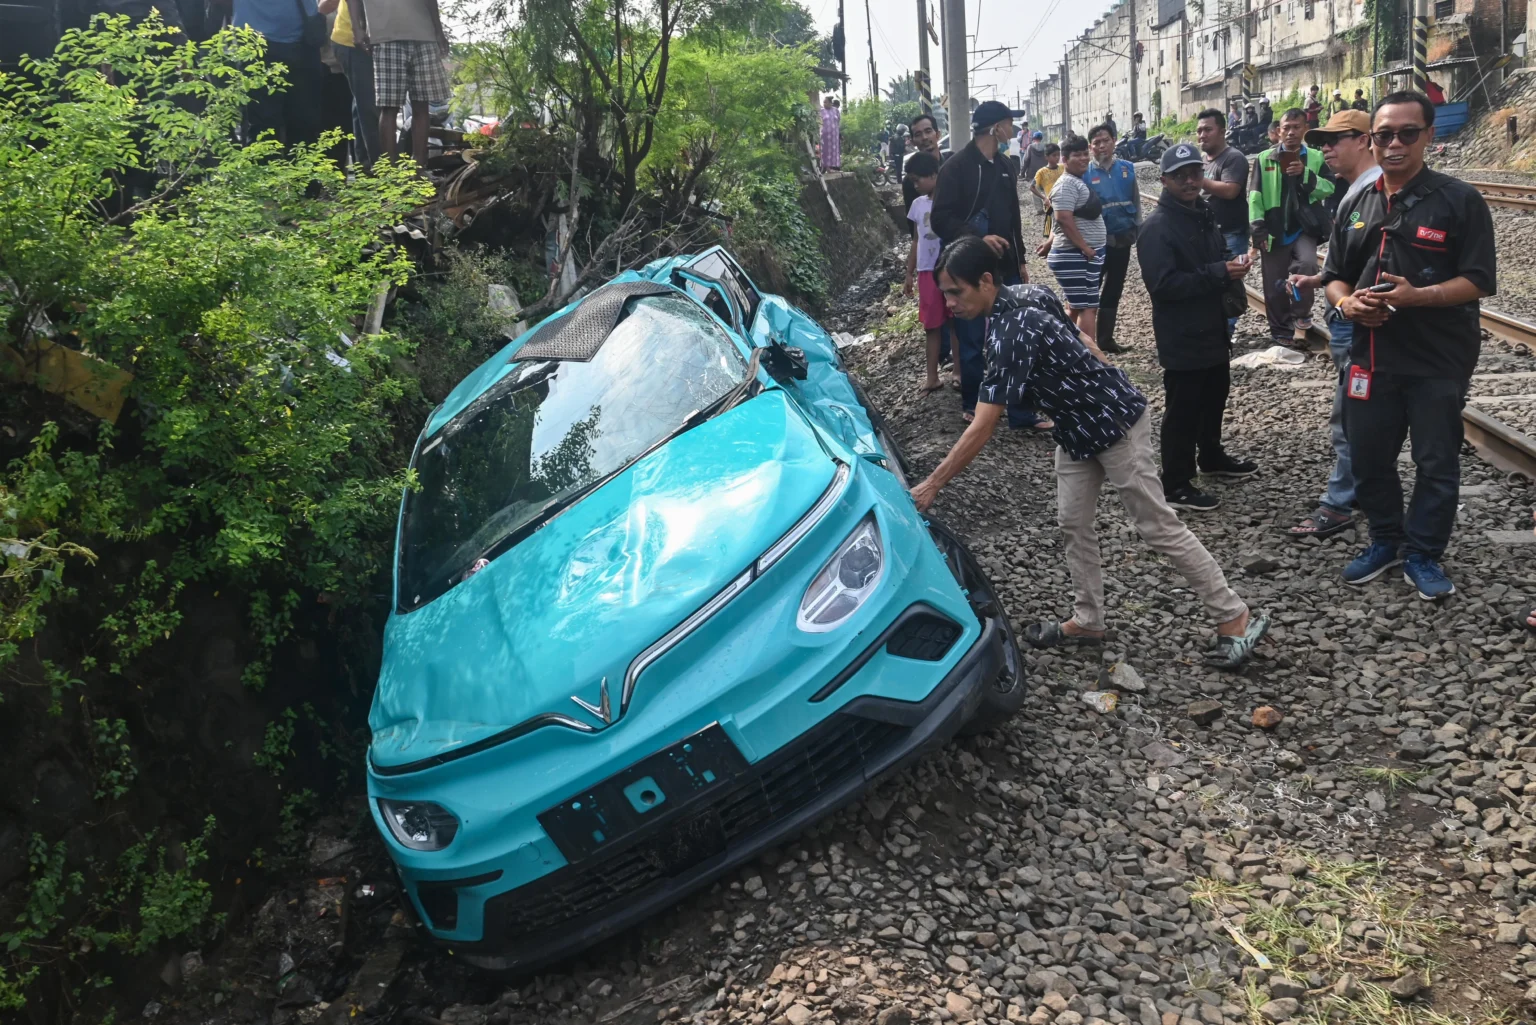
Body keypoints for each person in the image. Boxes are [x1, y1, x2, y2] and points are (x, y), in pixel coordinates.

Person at [910, 237, 1270, 668]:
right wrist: (1101, 367)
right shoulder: (1029, 293)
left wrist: (932, 485)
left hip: (1115, 425)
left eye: (956, 292)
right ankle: (1088, 620)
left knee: (1156, 525)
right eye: (945, 293)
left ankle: (1233, 615)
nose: (949, 303)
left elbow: (983, 424)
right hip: (1076, 431)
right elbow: (1076, 332)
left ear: (986, 280)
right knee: (1073, 522)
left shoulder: (1011, 331)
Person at [1321, 91, 1496, 600]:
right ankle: (1386, 539)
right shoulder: (1357, 201)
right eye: (1384, 135)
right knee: (1368, 457)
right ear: (1371, 141)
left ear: (1428, 136)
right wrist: (1347, 304)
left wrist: (1419, 296)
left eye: (1407, 133)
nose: (1394, 144)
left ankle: (1423, 553)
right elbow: (1334, 277)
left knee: (1435, 462)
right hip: (1371, 357)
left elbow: (1479, 279)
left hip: (1436, 359)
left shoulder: (1459, 200)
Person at [1139, 143, 1259, 512]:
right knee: (1183, 409)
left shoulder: (1202, 212)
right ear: (1164, 180)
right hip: (1182, 334)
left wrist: (1231, 263)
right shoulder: (1157, 228)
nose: (1190, 181)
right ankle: (1175, 482)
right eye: (1180, 176)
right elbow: (1163, 286)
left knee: (1215, 395)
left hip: (1213, 327)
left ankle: (1210, 455)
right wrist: (1218, 272)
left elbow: (1217, 253)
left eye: (1194, 173)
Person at [1286, 108, 1382, 540]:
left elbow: (1379, 264)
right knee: (1354, 414)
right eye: (1322, 142)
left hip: (1357, 322)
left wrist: (1343, 295)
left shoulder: (1378, 192)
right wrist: (1322, 279)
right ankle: (1356, 489)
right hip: (1347, 314)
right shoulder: (1354, 191)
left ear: (1363, 141)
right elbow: (1352, 261)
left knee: (1350, 417)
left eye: (1335, 140)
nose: (1325, 148)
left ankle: (1340, 503)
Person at [931, 99, 1042, 429]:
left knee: (1016, 335)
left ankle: (1021, 412)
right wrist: (978, 238)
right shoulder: (956, 167)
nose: (1013, 130)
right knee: (971, 338)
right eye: (1009, 124)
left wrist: (1021, 259)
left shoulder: (1006, 166)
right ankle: (974, 403)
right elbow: (940, 219)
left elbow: (1013, 218)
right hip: (967, 267)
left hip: (1005, 264)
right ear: (996, 128)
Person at [1248, 107, 1335, 347]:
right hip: (1274, 229)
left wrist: (1306, 175)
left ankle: (1301, 312)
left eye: (1297, 128)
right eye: (1286, 128)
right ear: (1278, 131)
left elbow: (1329, 188)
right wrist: (1257, 228)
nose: (1291, 133)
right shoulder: (1265, 158)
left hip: (1304, 227)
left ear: (1305, 129)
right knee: (1274, 282)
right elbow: (1255, 195)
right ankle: (1280, 330)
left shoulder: (1316, 157)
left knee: (1307, 264)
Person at [349, 0, 450, 165]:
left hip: (424, 35)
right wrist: (356, 28)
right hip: (385, 36)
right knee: (389, 107)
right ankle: (390, 171)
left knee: (422, 104)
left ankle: (419, 167)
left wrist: (438, 31)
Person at [232, 0, 324, 147]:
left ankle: (266, 160)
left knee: (262, 126)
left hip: (255, 43)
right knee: (301, 124)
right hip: (295, 44)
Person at [1043, 134, 1107, 345]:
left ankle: (1061, 348)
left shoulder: (1075, 181)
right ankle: (1088, 356)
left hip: (1079, 255)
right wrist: (1085, 248)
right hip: (1076, 255)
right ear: (1065, 159)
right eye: (1077, 155)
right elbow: (1063, 218)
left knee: (1075, 306)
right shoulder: (1066, 185)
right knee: (1087, 307)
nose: (1083, 158)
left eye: (1085, 154)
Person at [1085, 123, 1141, 353]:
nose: (1102, 146)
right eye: (1096, 142)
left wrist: (1137, 230)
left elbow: (1136, 201)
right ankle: (1085, 342)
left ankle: (1106, 340)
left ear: (1114, 141)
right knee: (1090, 290)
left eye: (1106, 140)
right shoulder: (1085, 173)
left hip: (1122, 239)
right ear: (1090, 147)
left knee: (1114, 289)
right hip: (1096, 244)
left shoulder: (1127, 169)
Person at [1195, 108, 1250, 337]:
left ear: (1222, 131)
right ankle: (1214, 330)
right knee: (1211, 280)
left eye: (1208, 129)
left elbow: (1230, 190)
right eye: (1199, 131)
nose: (1202, 135)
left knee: (1230, 282)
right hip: (1208, 233)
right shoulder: (1203, 161)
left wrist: (1197, 179)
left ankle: (1225, 334)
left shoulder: (1233, 158)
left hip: (1231, 233)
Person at [903, 152, 949, 395]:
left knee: (955, 322)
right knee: (931, 325)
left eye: (917, 180)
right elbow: (916, 240)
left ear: (933, 175)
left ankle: (958, 371)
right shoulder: (917, 205)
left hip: (949, 268)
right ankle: (932, 377)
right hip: (926, 270)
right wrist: (909, 273)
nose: (915, 185)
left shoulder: (950, 200)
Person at [321, 0, 380, 167]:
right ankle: (379, 169)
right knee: (369, 106)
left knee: (362, 104)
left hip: (371, 40)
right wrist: (357, 28)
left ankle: (365, 166)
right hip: (353, 41)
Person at [1032, 142, 1064, 237]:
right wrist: (1044, 198)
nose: (1057, 157)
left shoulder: (1063, 168)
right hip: (1050, 201)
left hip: (1063, 199)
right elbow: (1032, 187)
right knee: (1051, 223)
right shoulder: (1041, 172)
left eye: (1058, 155)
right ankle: (1048, 241)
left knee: (1063, 222)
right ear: (1046, 157)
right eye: (1054, 155)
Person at [1021, 130, 1050, 211]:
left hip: (1033, 172)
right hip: (1045, 171)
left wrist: (1022, 172)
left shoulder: (1030, 147)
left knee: (1035, 189)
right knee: (1047, 189)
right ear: (1041, 138)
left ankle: (1039, 209)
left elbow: (1026, 160)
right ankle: (1049, 206)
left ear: (1033, 138)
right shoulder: (1046, 147)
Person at [820, 96, 840, 172]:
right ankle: (826, 168)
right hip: (825, 135)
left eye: (825, 102)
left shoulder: (836, 111)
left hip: (834, 135)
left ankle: (832, 167)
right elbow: (819, 122)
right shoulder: (821, 111)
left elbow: (838, 120)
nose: (824, 104)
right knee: (825, 151)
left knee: (834, 151)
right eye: (823, 102)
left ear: (830, 103)